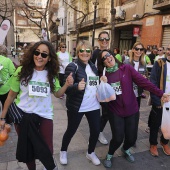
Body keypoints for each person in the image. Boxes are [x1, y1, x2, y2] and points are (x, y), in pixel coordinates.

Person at [0, 40, 73, 170]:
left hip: (44, 115)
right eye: (37, 52)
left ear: (49, 58)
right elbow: (11, 95)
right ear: (33, 53)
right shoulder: (22, 71)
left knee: (47, 148)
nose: (39, 56)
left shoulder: (51, 74)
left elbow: (57, 93)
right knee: (29, 150)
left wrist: (66, 84)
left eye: (44, 55)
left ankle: (48, 167)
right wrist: (2, 117)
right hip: (23, 117)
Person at [97, 49, 170, 168]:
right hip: (115, 111)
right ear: (103, 63)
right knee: (118, 137)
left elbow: (144, 82)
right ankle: (110, 154)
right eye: (104, 58)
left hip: (132, 109)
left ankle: (125, 149)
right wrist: (102, 84)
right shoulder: (103, 75)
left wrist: (160, 93)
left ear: (113, 56)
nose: (107, 58)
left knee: (132, 138)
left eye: (108, 55)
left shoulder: (126, 68)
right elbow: (101, 96)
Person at [60, 40, 101, 166]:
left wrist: (102, 82)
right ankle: (63, 151)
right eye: (81, 50)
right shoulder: (73, 66)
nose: (85, 53)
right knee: (71, 130)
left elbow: (95, 83)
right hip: (77, 106)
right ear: (78, 52)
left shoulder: (93, 66)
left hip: (93, 105)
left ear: (91, 52)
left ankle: (90, 152)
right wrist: (76, 87)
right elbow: (64, 88)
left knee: (96, 130)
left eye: (87, 50)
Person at [149, 44, 170, 157]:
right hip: (160, 99)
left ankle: (164, 141)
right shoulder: (160, 63)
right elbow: (153, 82)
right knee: (155, 123)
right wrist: (156, 100)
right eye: (169, 49)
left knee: (169, 124)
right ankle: (153, 144)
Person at [91, 31, 110, 145]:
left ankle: (99, 131)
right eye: (102, 39)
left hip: (106, 89)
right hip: (95, 87)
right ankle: (94, 133)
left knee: (107, 112)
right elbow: (90, 69)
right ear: (98, 41)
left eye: (106, 39)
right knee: (94, 112)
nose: (104, 41)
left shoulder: (110, 53)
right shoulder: (95, 53)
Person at [124, 42, 148, 108]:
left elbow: (146, 78)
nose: (139, 51)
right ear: (133, 50)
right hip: (128, 93)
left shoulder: (143, 64)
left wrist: (144, 78)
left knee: (136, 113)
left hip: (138, 93)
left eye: (141, 49)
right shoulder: (127, 62)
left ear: (143, 51)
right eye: (137, 49)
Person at [0, 45, 16, 123]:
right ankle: (6, 122)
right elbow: (13, 74)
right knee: (5, 104)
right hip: (5, 88)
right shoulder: (7, 61)